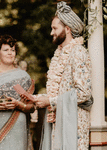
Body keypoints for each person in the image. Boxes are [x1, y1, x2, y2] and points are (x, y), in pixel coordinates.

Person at [34, 1, 92, 150]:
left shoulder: (78, 52)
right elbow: (62, 91)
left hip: (74, 125)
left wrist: (50, 101)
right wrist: (42, 98)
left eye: (54, 28)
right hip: (60, 122)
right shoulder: (59, 55)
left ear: (67, 29)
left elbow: (84, 93)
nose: (51, 32)